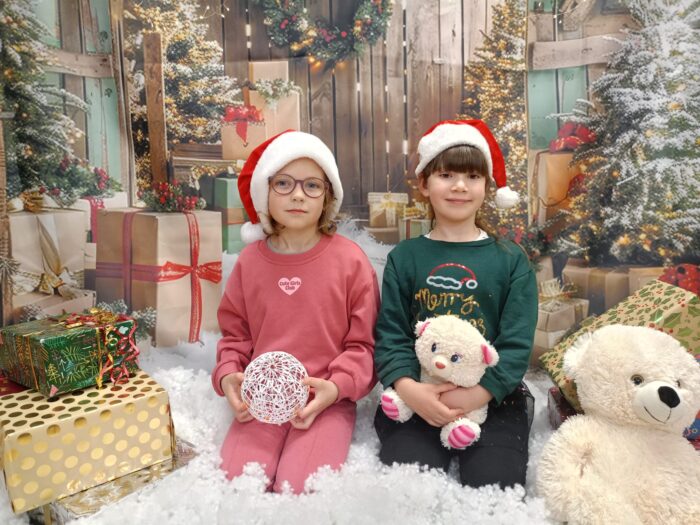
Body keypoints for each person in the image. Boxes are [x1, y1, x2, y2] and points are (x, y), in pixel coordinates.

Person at [212, 131, 380, 493]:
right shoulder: (250, 263)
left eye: (312, 185)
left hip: (326, 402)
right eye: (284, 183)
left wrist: (336, 388)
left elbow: (364, 345)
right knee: (237, 483)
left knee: (299, 489)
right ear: (265, 192)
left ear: (328, 197)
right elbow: (235, 336)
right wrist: (228, 376)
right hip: (262, 401)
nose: (298, 195)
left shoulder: (350, 262)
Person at [374, 119, 537, 489]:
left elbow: (516, 343)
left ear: (486, 185)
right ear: (424, 184)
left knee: (493, 482)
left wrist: (477, 395)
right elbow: (392, 334)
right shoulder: (405, 257)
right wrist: (409, 389)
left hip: (490, 395)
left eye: (472, 176)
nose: (460, 186)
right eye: (446, 174)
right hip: (420, 389)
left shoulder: (511, 260)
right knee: (408, 476)